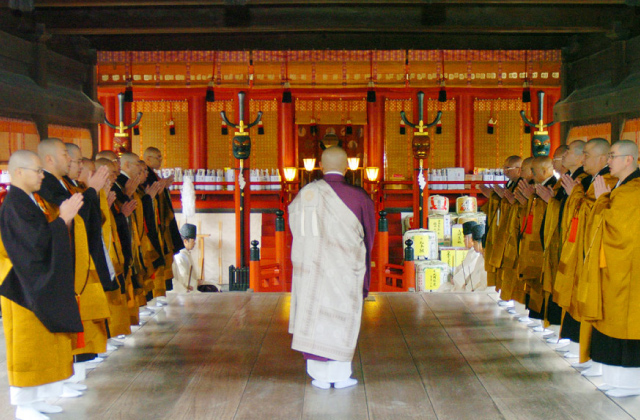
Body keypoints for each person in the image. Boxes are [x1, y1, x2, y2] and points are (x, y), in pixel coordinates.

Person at [0, 150, 84, 420]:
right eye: (36, 171)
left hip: (33, 283)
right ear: (18, 173)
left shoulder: (30, 201)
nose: (41, 175)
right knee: (27, 346)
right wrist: (63, 220)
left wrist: (60, 221)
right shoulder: (14, 204)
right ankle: (23, 406)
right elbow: (34, 244)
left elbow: (39, 239)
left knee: (43, 344)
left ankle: (39, 398)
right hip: (21, 286)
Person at [288, 146, 375, 390]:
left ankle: (319, 376)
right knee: (342, 319)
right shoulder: (359, 197)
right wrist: (364, 274)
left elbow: (295, 230)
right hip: (346, 271)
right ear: (347, 166)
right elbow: (369, 239)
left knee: (315, 317)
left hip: (312, 270)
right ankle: (340, 374)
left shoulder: (307, 194)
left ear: (321, 166)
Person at [580, 140, 640, 396]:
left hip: (627, 270)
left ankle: (629, 383)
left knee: (625, 322)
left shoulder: (633, 190)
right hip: (613, 267)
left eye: (613, 156)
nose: (608, 161)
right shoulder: (620, 187)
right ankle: (615, 378)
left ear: (629, 159)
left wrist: (603, 198)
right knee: (610, 318)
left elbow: (620, 229)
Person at [554, 138, 618, 363]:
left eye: (587, 155)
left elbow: (594, 214)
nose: (583, 159)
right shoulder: (591, 180)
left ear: (603, 158)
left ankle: (588, 354)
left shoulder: (608, 181)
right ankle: (577, 348)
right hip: (580, 248)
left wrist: (576, 195)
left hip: (595, 253)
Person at [143, 147, 184, 303]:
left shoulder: (153, 175)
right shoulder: (148, 177)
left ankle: (158, 295)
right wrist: (161, 188)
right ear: (147, 159)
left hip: (161, 226)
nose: (160, 160)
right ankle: (152, 296)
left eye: (161, 157)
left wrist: (163, 187)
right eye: (157, 157)